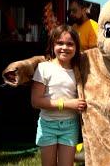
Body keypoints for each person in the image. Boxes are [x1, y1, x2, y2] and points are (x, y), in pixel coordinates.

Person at [31, 25, 87, 166]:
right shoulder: (44, 68)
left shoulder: (79, 71)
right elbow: (35, 101)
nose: (64, 47)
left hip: (70, 126)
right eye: (60, 43)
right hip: (47, 125)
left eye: (70, 44)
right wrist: (67, 104)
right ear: (52, 44)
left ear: (76, 47)